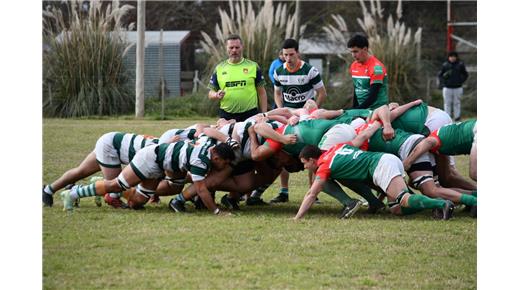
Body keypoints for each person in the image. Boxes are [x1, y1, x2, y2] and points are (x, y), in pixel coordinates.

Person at [295, 139, 456, 220]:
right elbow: (362, 138)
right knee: (397, 209)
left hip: (382, 165)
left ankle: (442, 203)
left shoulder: (324, 165)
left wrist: (297, 218)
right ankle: (435, 204)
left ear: (312, 160)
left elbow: (311, 194)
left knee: (404, 199)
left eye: (304, 164)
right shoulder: (337, 147)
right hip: (385, 161)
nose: (304, 168)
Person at [60, 140, 236, 214]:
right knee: (116, 185)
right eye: (225, 163)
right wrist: (216, 211)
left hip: (159, 166)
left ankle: (101, 184)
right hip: (149, 159)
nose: (224, 167)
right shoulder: (202, 161)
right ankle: (73, 193)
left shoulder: (209, 148)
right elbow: (201, 189)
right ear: (216, 157)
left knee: (136, 203)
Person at [270, 38, 328, 203]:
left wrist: (313, 110)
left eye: (291, 54)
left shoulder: (310, 71)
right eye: (285, 55)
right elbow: (277, 93)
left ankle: (313, 191)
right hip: (289, 117)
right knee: (283, 149)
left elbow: (322, 92)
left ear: (298, 53)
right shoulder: (279, 71)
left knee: (311, 150)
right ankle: (283, 192)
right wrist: (283, 112)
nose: (288, 58)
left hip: (306, 117)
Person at [42, 132, 159, 208]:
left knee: (81, 171)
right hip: (110, 147)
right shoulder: (158, 152)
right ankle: (106, 196)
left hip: (110, 140)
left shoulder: (163, 145)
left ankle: (48, 190)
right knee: (116, 185)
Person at [208, 34, 268, 122]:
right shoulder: (219, 68)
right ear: (226, 48)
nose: (234, 50)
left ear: (242, 47)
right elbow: (210, 93)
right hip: (226, 115)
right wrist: (216, 94)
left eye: (237, 47)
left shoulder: (253, 66)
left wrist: (264, 114)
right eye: (231, 47)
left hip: (250, 114)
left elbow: (262, 93)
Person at [347, 34, 389, 110]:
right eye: (351, 52)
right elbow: (356, 90)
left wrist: (357, 110)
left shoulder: (376, 68)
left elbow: (373, 97)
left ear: (365, 49)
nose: (353, 55)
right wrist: (354, 109)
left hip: (377, 110)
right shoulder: (353, 66)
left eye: (356, 51)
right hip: (363, 109)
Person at [438, 51, 468, 121]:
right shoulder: (445, 65)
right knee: (447, 103)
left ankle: (457, 117)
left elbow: (465, 74)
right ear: (448, 57)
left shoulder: (460, 64)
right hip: (447, 87)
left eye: (454, 56)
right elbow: (440, 75)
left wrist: (461, 80)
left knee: (457, 103)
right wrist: (444, 82)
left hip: (458, 87)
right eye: (451, 56)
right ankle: (447, 118)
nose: (452, 58)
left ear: (456, 57)